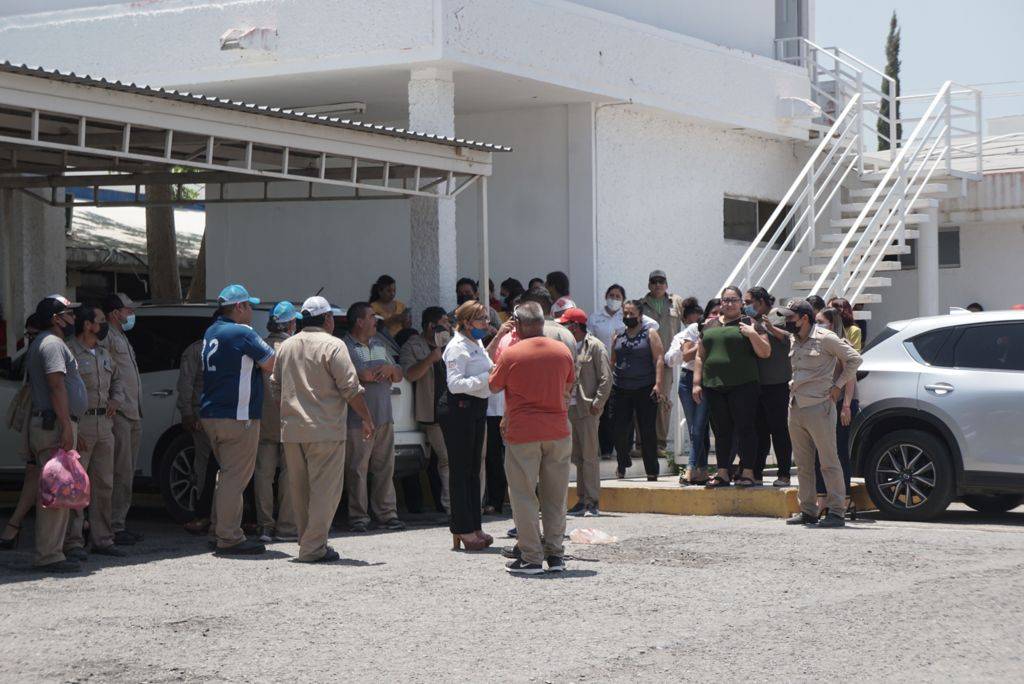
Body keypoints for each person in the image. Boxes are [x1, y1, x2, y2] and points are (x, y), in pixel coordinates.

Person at [274, 295, 374, 563]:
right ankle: (313, 547)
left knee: (300, 491)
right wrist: (366, 418)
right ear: (328, 319)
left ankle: (308, 541)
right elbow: (350, 388)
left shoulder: (287, 345)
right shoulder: (334, 345)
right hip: (325, 429)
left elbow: (275, 385)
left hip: (292, 430)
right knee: (325, 492)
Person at [489, 301, 575, 574]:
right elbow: (568, 384)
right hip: (558, 430)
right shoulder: (562, 351)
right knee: (555, 495)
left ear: (519, 324)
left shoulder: (511, 354)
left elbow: (493, 385)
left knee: (524, 495)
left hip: (523, 432)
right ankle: (556, 554)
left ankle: (531, 557)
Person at [200, 284, 276, 556]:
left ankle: (219, 529)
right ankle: (229, 537)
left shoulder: (211, 331)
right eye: (249, 305)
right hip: (238, 415)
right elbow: (271, 362)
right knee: (235, 478)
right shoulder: (242, 332)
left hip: (212, 414)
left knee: (225, 475)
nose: (251, 311)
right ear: (240, 307)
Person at [782, 300, 862, 528]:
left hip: (820, 406)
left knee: (828, 462)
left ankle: (836, 511)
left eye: (791, 317)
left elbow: (854, 359)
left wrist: (838, 386)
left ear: (804, 318)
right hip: (796, 406)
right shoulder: (794, 338)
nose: (787, 322)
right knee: (803, 464)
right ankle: (808, 510)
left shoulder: (826, 337)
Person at [25, 295, 87, 572]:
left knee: (57, 491)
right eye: (69, 314)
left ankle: (53, 551)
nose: (74, 318)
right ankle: (49, 555)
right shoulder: (51, 344)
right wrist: (65, 425)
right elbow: (56, 386)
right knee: (55, 490)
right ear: (56, 319)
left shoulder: (49, 342)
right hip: (53, 426)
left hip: (55, 424)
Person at [692, 286, 771, 488]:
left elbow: (765, 352)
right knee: (721, 431)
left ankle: (748, 472)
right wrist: (696, 383)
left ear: (741, 303)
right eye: (725, 300)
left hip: (744, 385)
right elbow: (700, 355)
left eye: (734, 300)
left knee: (745, 428)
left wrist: (752, 334)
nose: (729, 304)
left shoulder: (750, 323)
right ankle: (722, 472)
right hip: (714, 385)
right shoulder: (709, 325)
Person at [67, 304, 127, 558]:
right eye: (100, 321)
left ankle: (102, 539)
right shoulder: (70, 352)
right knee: (76, 485)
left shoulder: (103, 353)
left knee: (104, 484)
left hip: (105, 424)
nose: (104, 325)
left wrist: (116, 399)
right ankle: (73, 541)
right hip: (82, 425)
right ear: (87, 325)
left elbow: (118, 380)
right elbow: (63, 391)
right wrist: (72, 428)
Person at [343, 302, 406, 533]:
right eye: (371, 317)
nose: (376, 321)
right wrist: (378, 372)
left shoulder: (380, 343)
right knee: (357, 469)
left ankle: (387, 514)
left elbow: (398, 373)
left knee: (384, 468)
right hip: (358, 419)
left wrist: (390, 370)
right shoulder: (345, 346)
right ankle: (358, 517)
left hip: (384, 416)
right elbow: (362, 375)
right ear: (359, 321)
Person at [441, 300, 494, 552]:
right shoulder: (456, 347)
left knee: (474, 470)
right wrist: (487, 378)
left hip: (477, 407)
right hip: (458, 409)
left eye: (486, 318)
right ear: (466, 322)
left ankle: (475, 525)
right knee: (460, 471)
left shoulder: (477, 343)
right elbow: (455, 384)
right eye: (481, 319)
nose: (486, 323)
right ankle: (461, 527)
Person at [253, 302, 301, 543]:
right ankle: (287, 527)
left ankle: (265, 526)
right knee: (290, 474)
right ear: (291, 324)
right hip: (290, 419)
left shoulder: (258, 345)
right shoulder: (294, 347)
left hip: (263, 419)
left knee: (263, 474)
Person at [399, 307, 453, 513]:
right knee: (446, 458)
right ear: (431, 326)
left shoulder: (451, 343)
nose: (448, 326)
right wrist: (431, 358)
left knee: (453, 458)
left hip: (454, 410)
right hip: (431, 413)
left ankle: (453, 504)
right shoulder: (412, 346)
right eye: (444, 322)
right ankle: (451, 506)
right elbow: (410, 374)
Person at [559, 307, 611, 517]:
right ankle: (582, 499)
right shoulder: (567, 346)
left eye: (565, 324)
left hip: (587, 408)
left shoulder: (595, 346)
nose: (563, 328)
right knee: (577, 457)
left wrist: (597, 403)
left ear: (574, 326)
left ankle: (592, 501)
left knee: (589, 456)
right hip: (569, 408)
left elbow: (606, 378)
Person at [101, 292, 144, 546]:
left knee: (126, 472)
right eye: (128, 310)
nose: (131, 314)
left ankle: (118, 523)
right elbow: (104, 372)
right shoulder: (106, 335)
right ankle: (113, 527)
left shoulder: (121, 336)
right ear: (116, 313)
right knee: (119, 472)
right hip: (119, 414)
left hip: (132, 412)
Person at [0, 314, 44, 550]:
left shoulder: (50, 349)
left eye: (33, 334)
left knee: (43, 477)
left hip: (53, 423)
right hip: (40, 421)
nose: (31, 339)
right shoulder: (39, 351)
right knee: (36, 474)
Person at [610, 299, 665, 480]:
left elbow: (659, 359)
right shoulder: (618, 335)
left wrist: (658, 384)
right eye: (625, 313)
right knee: (618, 429)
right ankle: (622, 462)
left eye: (632, 314)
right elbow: (612, 361)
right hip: (620, 388)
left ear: (640, 316)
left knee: (647, 430)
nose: (628, 316)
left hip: (645, 387)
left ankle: (652, 471)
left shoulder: (650, 333)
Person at [744, 287, 793, 487]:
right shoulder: (749, 321)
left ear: (761, 301)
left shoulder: (777, 315)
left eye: (749, 302)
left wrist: (768, 328)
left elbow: (788, 337)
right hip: (757, 384)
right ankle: (756, 473)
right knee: (759, 431)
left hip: (777, 383)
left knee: (779, 430)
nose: (746, 306)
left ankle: (784, 473)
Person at [814, 306, 859, 515]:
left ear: (832, 324)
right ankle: (822, 499)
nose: (817, 325)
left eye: (821, 322)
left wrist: (846, 406)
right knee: (819, 452)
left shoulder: (841, 344)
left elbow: (850, 377)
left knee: (839, 451)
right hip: (823, 402)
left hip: (841, 403)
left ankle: (845, 499)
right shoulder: (819, 343)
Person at [665, 299, 715, 485]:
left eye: (719, 313)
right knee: (696, 428)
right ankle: (701, 471)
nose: (716, 316)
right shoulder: (694, 329)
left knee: (699, 427)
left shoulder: (725, 329)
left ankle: (691, 468)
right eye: (713, 312)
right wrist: (702, 342)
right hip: (688, 380)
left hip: (708, 380)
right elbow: (685, 356)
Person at [176, 317, 217, 535]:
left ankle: (213, 514)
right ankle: (203, 513)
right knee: (203, 465)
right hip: (201, 414)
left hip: (218, 414)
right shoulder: (196, 350)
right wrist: (187, 413)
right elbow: (186, 383)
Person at [639, 270, 686, 457]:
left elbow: (690, 321)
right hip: (644, 360)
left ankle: (660, 444)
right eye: (654, 281)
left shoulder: (676, 303)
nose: (658, 284)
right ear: (649, 284)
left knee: (662, 401)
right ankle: (641, 444)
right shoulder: (640, 304)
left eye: (661, 281)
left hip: (666, 361)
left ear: (666, 284)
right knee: (642, 401)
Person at [518, 287, 576, 356]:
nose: (522, 311)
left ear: (539, 305)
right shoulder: (567, 334)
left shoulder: (527, 332)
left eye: (524, 307)